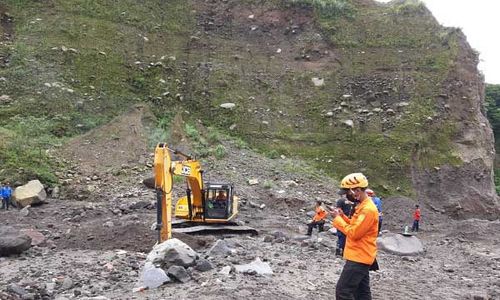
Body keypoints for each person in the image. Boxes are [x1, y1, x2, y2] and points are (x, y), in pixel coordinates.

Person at [330, 173, 379, 300]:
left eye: (347, 192)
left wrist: (337, 220)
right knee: (362, 294)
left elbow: (354, 233)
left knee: (343, 292)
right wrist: (342, 217)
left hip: (359, 257)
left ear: (356, 190)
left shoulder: (367, 210)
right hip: (361, 255)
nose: (345, 196)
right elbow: (355, 225)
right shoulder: (362, 206)